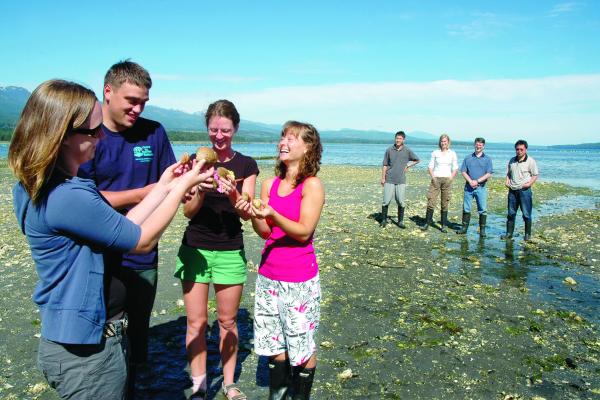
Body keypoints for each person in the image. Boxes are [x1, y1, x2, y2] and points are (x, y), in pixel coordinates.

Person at [8, 79, 212, 399]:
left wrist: (162, 186)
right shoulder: (68, 195)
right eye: (91, 131)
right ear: (61, 137)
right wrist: (182, 187)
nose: (100, 135)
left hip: (71, 340)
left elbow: (122, 227)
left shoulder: (38, 186)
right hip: (87, 352)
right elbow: (141, 241)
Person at [78, 60, 176, 397]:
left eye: (143, 102)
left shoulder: (154, 132)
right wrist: (149, 191)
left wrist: (187, 187)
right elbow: (85, 199)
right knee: (104, 336)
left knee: (138, 333)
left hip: (144, 253)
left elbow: (171, 183)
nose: (138, 108)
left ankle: (136, 381)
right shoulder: (87, 138)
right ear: (108, 91)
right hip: (98, 255)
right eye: (131, 100)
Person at [175, 100, 258, 400]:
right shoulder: (199, 161)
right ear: (207, 129)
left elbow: (247, 213)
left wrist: (233, 191)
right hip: (195, 248)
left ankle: (229, 383)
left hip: (229, 249)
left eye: (224, 130)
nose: (219, 136)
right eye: (213, 130)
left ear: (235, 128)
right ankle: (198, 385)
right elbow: (188, 212)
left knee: (228, 321)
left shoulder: (246, 165)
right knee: (196, 321)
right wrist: (199, 189)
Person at [243, 121, 324, 400]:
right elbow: (265, 232)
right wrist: (255, 214)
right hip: (268, 275)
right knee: (274, 344)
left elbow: (303, 232)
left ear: (308, 147)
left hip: (299, 278)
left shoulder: (312, 186)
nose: (283, 143)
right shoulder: (269, 184)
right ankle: (277, 396)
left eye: (291, 138)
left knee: (302, 346)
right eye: (282, 137)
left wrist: (273, 213)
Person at [380, 131, 420, 228]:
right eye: (397, 138)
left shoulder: (407, 150)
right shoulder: (389, 150)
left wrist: (408, 165)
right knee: (386, 201)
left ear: (403, 140)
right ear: (395, 139)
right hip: (389, 178)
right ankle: (383, 220)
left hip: (401, 180)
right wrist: (382, 177)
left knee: (401, 201)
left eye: (400, 138)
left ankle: (400, 221)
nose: (398, 140)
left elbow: (417, 160)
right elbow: (385, 165)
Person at [501, 139, 539, 241]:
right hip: (512, 191)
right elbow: (509, 173)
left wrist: (529, 184)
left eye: (521, 149)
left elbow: (535, 175)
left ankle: (527, 235)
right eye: (517, 149)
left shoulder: (531, 161)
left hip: (524, 191)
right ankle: (509, 234)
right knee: (511, 214)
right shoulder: (512, 160)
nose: (519, 151)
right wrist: (507, 181)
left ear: (525, 149)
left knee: (526, 214)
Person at [421, 134, 458, 232]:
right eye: (442, 141)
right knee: (431, 201)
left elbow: (455, 168)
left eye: (445, 141)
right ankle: (427, 223)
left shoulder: (452, 153)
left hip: (447, 180)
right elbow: (430, 167)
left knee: (445, 202)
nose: (443, 143)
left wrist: (451, 178)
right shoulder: (435, 153)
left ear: (448, 142)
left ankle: (443, 225)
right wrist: (433, 178)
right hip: (436, 179)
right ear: (440, 142)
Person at [457, 137, 493, 236]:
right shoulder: (468, 158)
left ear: (483, 146)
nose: (478, 146)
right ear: (474, 145)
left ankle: (482, 230)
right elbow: (463, 171)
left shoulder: (487, 159)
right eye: (477, 144)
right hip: (468, 187)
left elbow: (489, 173)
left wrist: (477, 181)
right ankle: (464, 229)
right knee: (466, 208)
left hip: (481, 187)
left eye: (480, 144)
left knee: (482, 209)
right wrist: (470, 181)